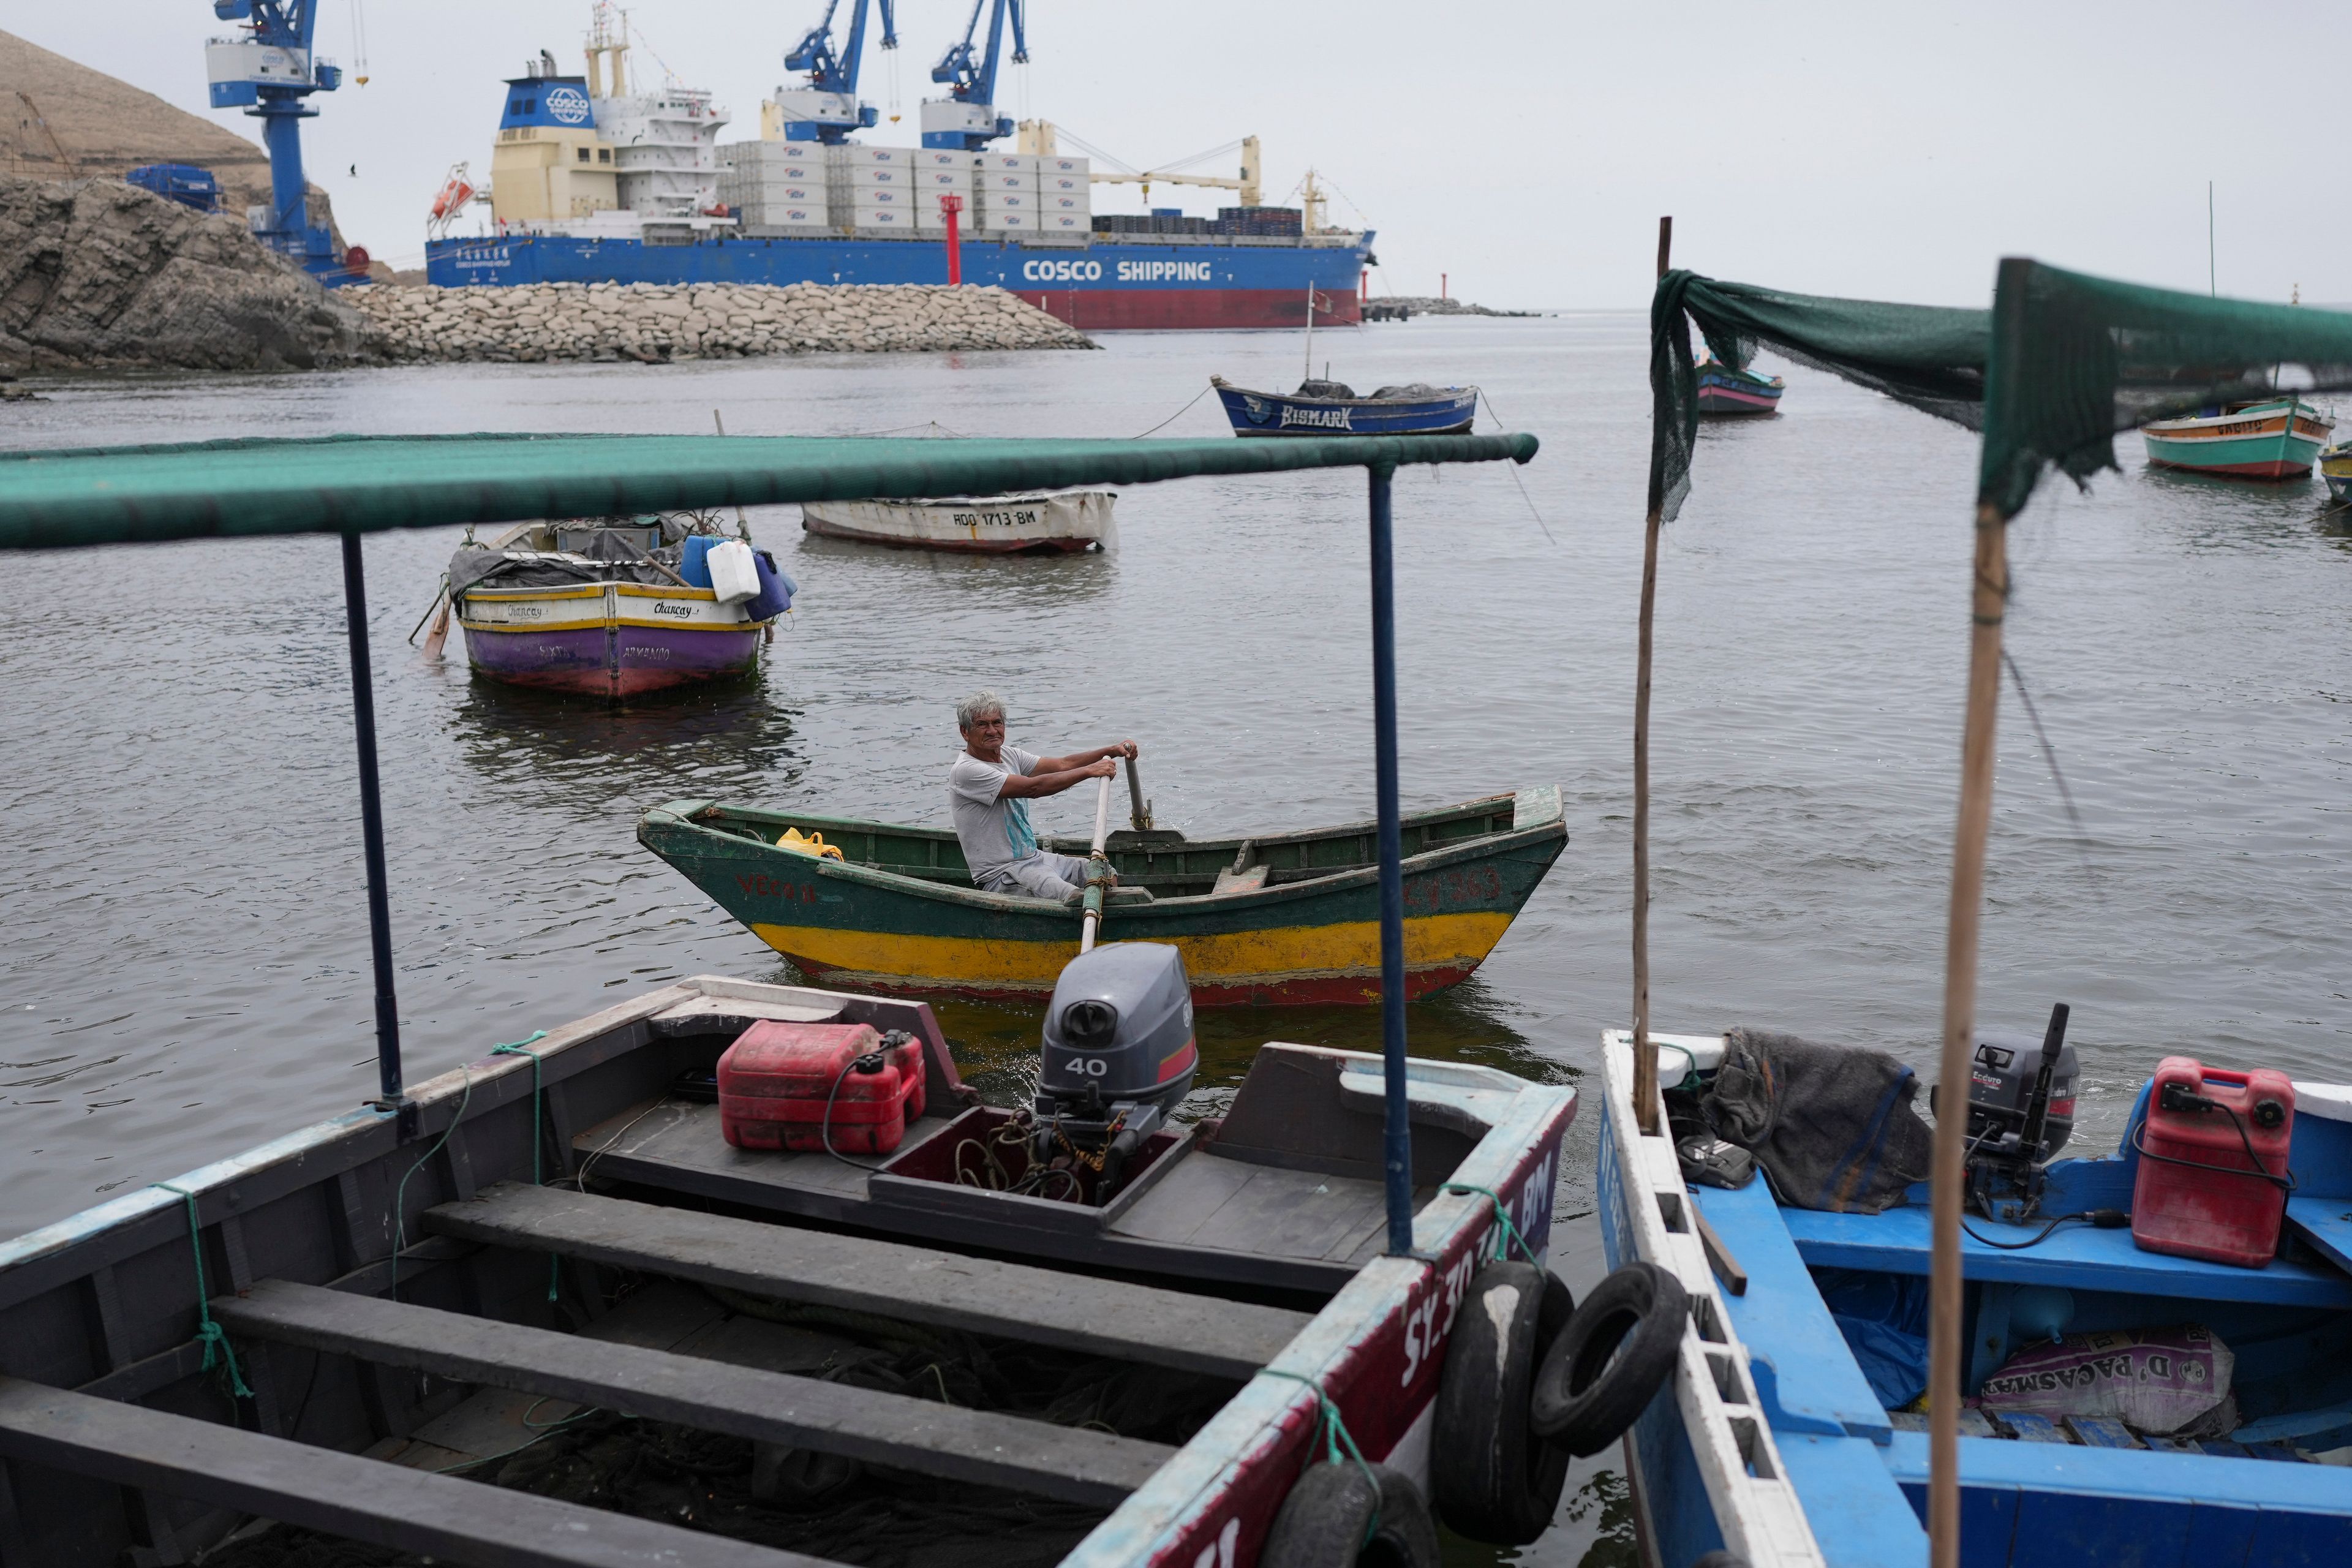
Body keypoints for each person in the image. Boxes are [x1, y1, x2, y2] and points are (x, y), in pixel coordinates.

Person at [947, 691, 1137, 902]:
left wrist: (1112, 750)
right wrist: (1091, 771)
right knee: (1070, 896)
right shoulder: (967, 770)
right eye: (982, 725)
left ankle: (1105, 926)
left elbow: (1063, 764)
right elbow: (1033, 789)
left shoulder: (1011, 755)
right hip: (1002, 875)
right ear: (965, 732)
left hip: (1035, 859)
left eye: (997, 723)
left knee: (1103, 871)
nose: (992, 731)